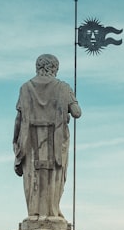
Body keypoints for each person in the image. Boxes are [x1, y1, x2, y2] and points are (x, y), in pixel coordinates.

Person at [13, 54, 81, 219]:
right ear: (54, 68)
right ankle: (52, 211)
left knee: (32, 175)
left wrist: (16, 143)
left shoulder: (25, 88)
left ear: (38, 67)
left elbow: (18, 119)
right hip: (56, 142)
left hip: (29, 141)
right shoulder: (63, 88)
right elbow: (77, 113)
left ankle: (34, 213)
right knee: (54, 176)